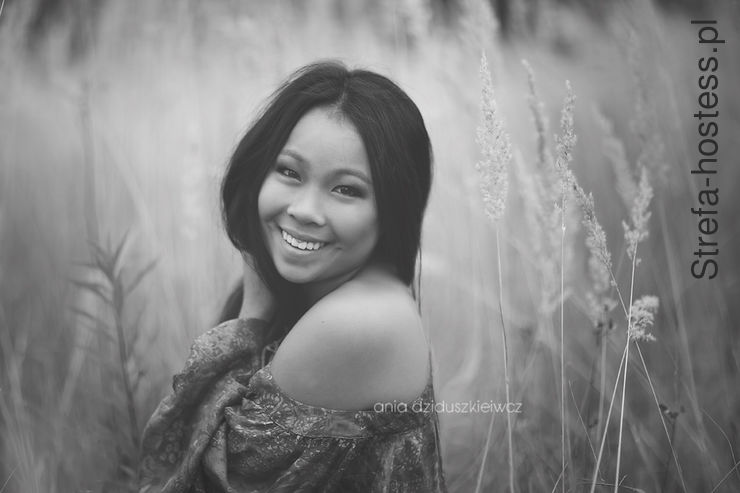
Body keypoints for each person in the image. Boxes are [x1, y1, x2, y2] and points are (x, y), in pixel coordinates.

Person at [138, 61, 447, 492]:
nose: (304, 210)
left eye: (346, 189)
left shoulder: (353, 322)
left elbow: (212, 475)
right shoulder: (364, 288)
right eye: (289, 171)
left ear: (391, 209)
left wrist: (252, 316)